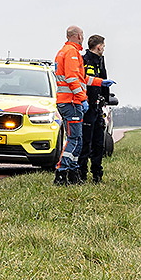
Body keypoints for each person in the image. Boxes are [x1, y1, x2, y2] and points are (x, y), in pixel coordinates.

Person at [54, 25, 113, 184]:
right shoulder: (71, 54)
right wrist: (83, 99)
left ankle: (73, 174)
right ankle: (61, 173)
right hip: (71, 101)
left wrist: (101, 82)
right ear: (78, 36)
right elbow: (73, 80)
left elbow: (82, 79)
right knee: (74, 139)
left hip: (69, 101)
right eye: (82, 35)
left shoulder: (66, 52)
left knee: (78, 139)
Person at [78, 34, 110, 184]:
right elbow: (86, 82)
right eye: (103, 46)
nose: (104, 49)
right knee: (85, 142)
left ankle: (97, 174)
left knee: (98, 143)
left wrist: (106, 100)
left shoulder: (100, 62)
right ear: (98, 47)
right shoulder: (86, 61)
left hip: (97, 107)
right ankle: (81, 174)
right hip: (88, 107)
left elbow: (102, 82)